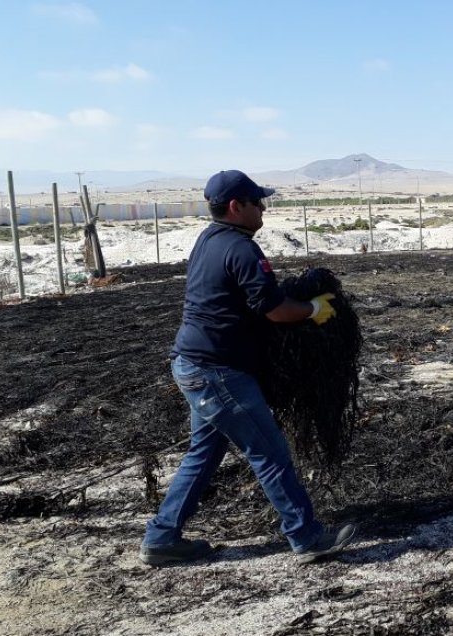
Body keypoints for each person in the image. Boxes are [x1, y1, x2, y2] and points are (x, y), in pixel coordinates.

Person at [139, 169, 356, 566]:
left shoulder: (209, 240)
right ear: (236, 206)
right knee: (269, 452)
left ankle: (162, 538)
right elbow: (274, 310)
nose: (263, 209)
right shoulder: (241, 249)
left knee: (203, 454)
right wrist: (312, 309)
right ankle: (307, 537)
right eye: (258, 202)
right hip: (217, 373)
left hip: (194, 365)